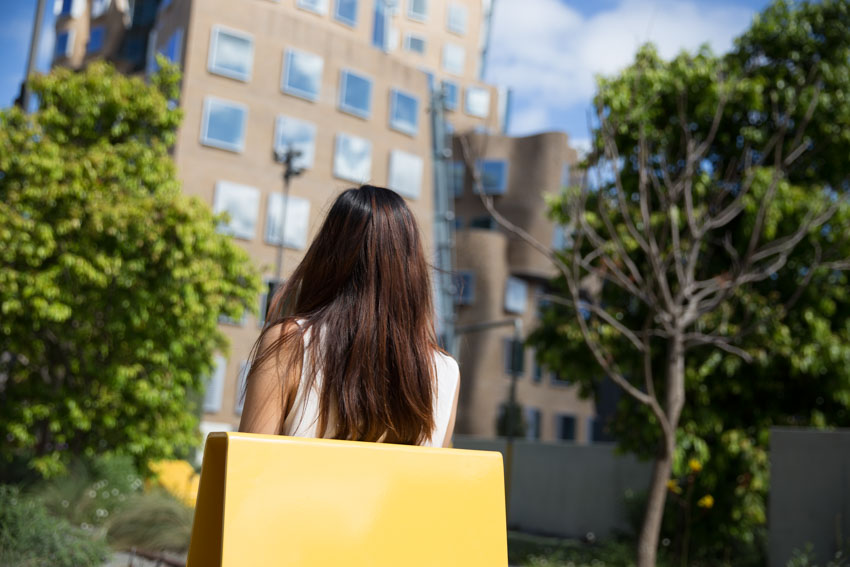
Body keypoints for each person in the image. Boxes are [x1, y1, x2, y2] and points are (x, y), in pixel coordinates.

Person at [238, 185, 460, 448]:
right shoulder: (445, 374)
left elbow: (248, 473)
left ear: (328, 256)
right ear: (411, 270)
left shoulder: (291, 344)